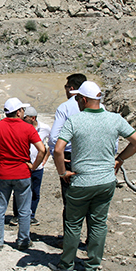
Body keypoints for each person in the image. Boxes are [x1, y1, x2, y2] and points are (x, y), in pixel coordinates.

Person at [49, 81, 136, 271]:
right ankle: (92, 267)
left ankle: (67, 265)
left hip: (82, 181)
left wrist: (62, 173)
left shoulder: (75, 121)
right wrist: (120, 160)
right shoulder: (115, 119)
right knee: (99, 223)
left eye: (77, 99)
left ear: (83, 99)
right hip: (106, 181)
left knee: (73, 223)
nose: (76, 102)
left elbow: (58, 149)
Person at [0, 98, 46, 251]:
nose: (23, 112)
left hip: (3, 173)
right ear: (18, 112)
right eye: (22, 110)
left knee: (0, 208)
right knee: (24, 210)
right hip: (22, 173)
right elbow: (42, 150)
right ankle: (23, 241)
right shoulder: (28, 128)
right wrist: (33, 166)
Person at [48, 73, 87, 237]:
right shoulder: (101, 107)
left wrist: (57, 156)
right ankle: (91, 243)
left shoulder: (65, 107)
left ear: (71, 89)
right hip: (93, 157)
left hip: (70, 157)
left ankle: (70, 240)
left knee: (70, 201)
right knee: (92, 203)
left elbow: (53, 137)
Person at [10, 106, 51, 226]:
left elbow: (52, 141)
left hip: (37, 167)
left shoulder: (45, 128)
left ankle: (31, 215)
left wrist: (46, 157)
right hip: (23, 165)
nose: (22, 118)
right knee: (19, 190)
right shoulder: (21, 127)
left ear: (33, 118)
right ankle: (17, 215)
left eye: (25, 117)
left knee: (35, 192)